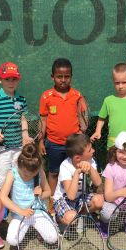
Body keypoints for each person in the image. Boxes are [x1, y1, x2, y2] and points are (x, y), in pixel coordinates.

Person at [39, 58, 87, 212]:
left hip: (73, 144)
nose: (63, 80)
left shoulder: (77, 95)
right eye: (59, 76)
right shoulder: (46, 96)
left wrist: (81, 134)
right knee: (53, 173)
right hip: (53, 143)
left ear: (71, 76)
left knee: (75, 172)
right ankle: (52, 204)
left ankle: (77, 202)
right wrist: (41, 140)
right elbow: (43, 120)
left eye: (67, 76)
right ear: (52, 77)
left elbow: (83, 118)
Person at [0, 62, 31, 191]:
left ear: (18, 80)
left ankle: (15, 207)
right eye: (7, 79)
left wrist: (25, 136)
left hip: (18, 147)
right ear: (0, 80)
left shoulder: (22, 99)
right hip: (1, 148)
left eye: (14, 79)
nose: (11, 82)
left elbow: (23, 119)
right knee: (1, 179)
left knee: (18, 178)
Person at [0, 143, 59, 247]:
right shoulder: (12, 173)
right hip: (20, 215)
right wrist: (21, 211)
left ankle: (39, 229)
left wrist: (41, 195)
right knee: (12, 241)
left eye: (33, 174)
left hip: (38, 213)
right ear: (19, 165)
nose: (29, 177)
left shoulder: (40, 172)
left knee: (52, 238)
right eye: (26, 174)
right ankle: (27, 229)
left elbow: (48, 192)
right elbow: (3, 196)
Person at [91, 63, 126, 149]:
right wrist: (98, 131)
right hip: (112, 145)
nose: (120, 86)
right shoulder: (108, 100)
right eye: (117, 83)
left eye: (124, 82)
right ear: (113, 81)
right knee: (112, 163)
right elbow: (101, 118)